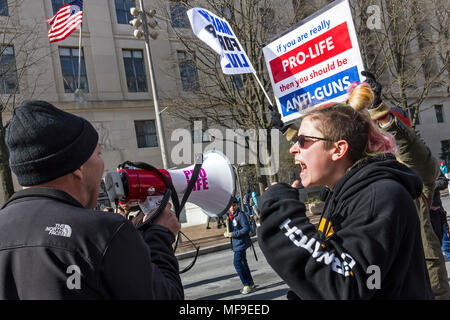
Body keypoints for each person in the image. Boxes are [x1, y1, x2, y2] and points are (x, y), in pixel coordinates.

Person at [259, 84, 433, 299]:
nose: (294, 148)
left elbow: (347, 284)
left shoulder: (379, 195)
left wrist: (280, 215)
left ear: (338, 149)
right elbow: (348, 273)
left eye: (302, 141)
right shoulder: (345, 195)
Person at [0, 100, 183, 299]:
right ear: (77, 168)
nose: (103, 166)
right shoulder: (102, 231)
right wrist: (159, 236)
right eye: (98, 153)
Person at [365, 71, 450, 299]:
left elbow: (408, 144)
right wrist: (291, 132)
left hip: (423, 272)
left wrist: (380, 112)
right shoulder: (373, 169)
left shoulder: (415, 166)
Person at [225, 198, 256, 295]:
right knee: (243, 263)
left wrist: (233, 234)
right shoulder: (230, 216)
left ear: (237, 205)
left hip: (241, 243)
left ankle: (246, 284)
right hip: (237, 243)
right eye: (230, 206)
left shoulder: (240, 215)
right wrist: (228, 234)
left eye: (234, 205)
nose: (232, 208)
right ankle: (250, 283)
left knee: (237, 263)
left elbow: (246, 229)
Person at [429, 170, 449, 245]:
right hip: (419, 214)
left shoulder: (430, 163)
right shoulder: (404, 165)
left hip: (436, 212)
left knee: (445, 242)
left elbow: (443, 181)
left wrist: (429, 185)